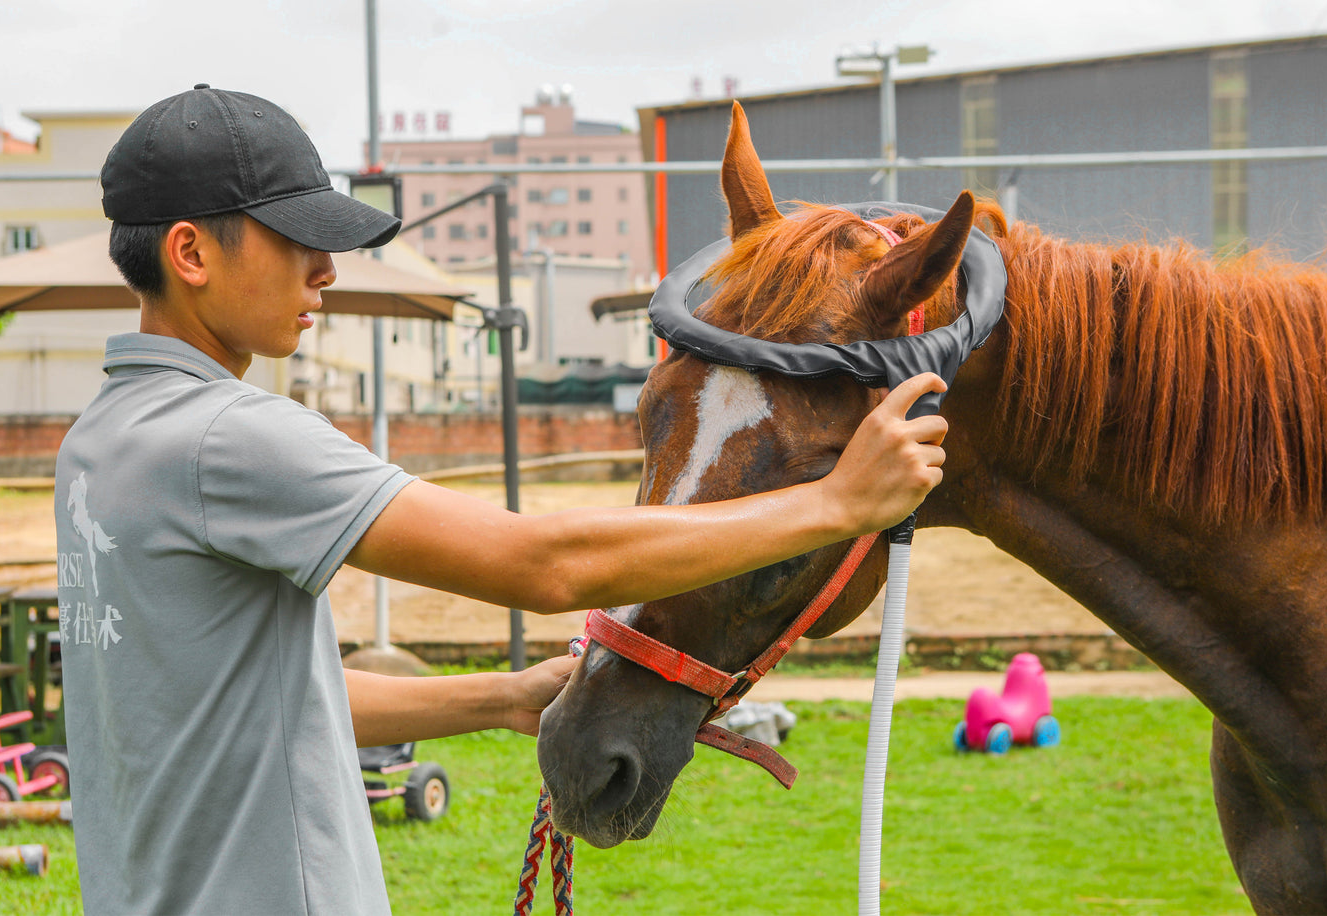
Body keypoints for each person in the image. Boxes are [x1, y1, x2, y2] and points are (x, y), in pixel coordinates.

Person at [55, 84, 948, 915]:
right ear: (190, 252)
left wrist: (499, 697)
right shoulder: (230, 436)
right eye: (294, 238)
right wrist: (836, 505)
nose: (324, 268)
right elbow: (541, 564)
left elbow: (253, 700)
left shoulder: (96, 446)